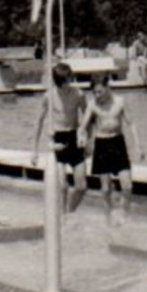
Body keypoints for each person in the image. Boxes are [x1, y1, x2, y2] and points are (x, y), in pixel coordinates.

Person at [80, 72, 142, 225]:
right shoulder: (92, 104)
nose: (97, 95)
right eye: (94, 92)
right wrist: (82, 138)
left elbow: (131, 124)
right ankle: (108, 218)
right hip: (101, 144)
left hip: (117, 143)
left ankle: (124, 214)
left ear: (108, 88)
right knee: (106, 188)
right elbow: (82, 126)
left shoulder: (120, 102)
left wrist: (138, 147)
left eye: (100, 91)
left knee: (127, 185)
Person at [30, 62, 88, 212]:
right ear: (59, 82)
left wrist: (86, 137)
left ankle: (69, 211)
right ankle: (63, 218)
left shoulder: (78, 94)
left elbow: (88, 119)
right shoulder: (49, 96)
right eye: (67, 80)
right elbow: (39, 122)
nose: (70, 83)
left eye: (71, 79)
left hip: (74, 138)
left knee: (81, 186)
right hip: (59, 139)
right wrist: (34, 151)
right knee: (62, 186)